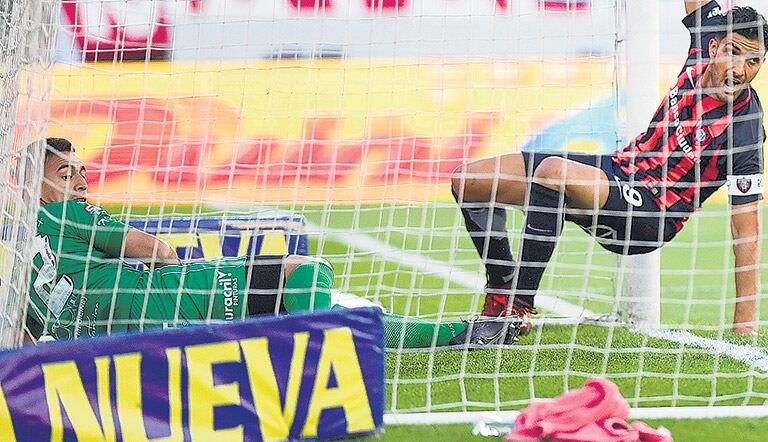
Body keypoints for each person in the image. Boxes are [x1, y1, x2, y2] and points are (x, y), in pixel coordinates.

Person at [452, 0, 768, 336]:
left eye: (754, 61)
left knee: (555, 170)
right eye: (734, 52)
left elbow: (744, 227)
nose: (742, 69)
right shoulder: (702, 38)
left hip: (651, 211)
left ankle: (519, 309)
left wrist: (745, 325)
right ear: (714, 48)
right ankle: (499, 291)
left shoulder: (746, 127)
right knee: (469, 181)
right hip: (618, 170)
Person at [25, 138, 517, 347]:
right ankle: (302, 355)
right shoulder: (62, 210)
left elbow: (26, 334)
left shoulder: (20, 254)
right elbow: (157, 251)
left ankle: (459, 333)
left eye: (82, 173)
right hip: (167, 301)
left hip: (100, 342)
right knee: (305, 269)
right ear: (34, 184)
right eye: (67, 174)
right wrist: (174, 263)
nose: (81, 182)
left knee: (337, 308)